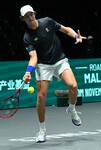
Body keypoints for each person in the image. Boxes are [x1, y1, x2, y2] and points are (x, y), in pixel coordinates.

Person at [20, 5, 86, 143]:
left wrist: (75, 36)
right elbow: (33, 58)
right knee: (41, 98)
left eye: (31, 14)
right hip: (43, 65)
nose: (30, 17)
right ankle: (42, 130)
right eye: (26, 16)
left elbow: (66, 29)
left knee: (73, 86)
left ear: (34, 14)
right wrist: (28, 72)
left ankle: (71, 109)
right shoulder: (27, 37)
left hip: (59, 60)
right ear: (23, 19)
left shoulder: (47, 22)